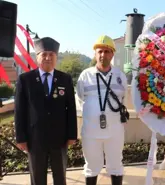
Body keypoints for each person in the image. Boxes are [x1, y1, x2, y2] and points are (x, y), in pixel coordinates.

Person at [14, 37, 77, 185]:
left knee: (60, 177)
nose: (48, 58)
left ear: (56, 57)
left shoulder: (65, 79)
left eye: (51, 54)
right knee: (37, 177)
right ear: (37, 57)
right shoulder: (25, 79)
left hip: (59, 138)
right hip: (35, 138)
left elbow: (71, 109)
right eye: (44, 54)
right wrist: (20, 137)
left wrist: (72, 135)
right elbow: (19, 110)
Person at [76, 35, 129, 185]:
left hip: (115, 131)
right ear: (95, 53)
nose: (102, 55)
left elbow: (123, 98)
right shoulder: (85, 76)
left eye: (107, 51)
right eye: (100, 51)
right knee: (91, 166)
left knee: (116, 165)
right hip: (91, 132)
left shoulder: (120, 76)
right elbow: (80, 100)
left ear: (112, 54)